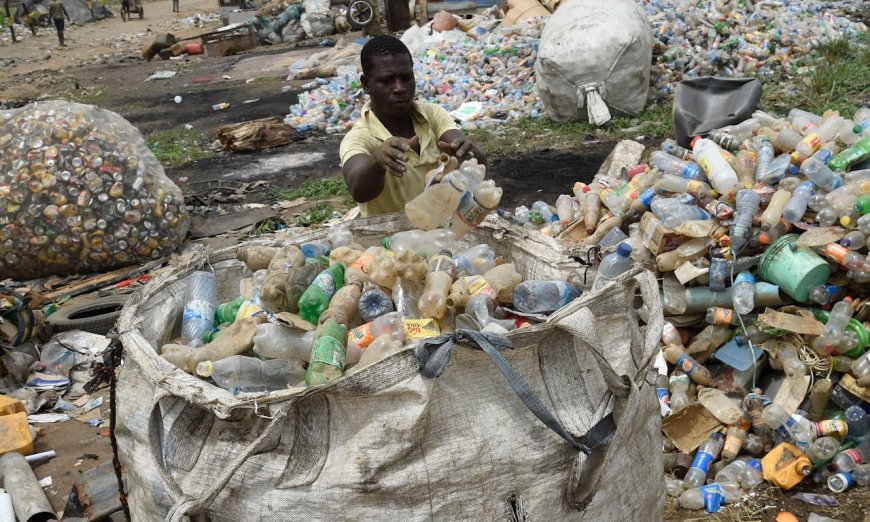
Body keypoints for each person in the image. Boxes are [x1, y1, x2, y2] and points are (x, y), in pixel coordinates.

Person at [340, 35, 486, 218]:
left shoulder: (432, 115)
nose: (400, 88)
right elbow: (358, 190)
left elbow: (473, 158)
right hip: (393, 242)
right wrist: (377, 161)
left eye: (406, 77)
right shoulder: (360, 138)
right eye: (387, 80)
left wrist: (468, 152)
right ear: (366, 84)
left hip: (443, 235)